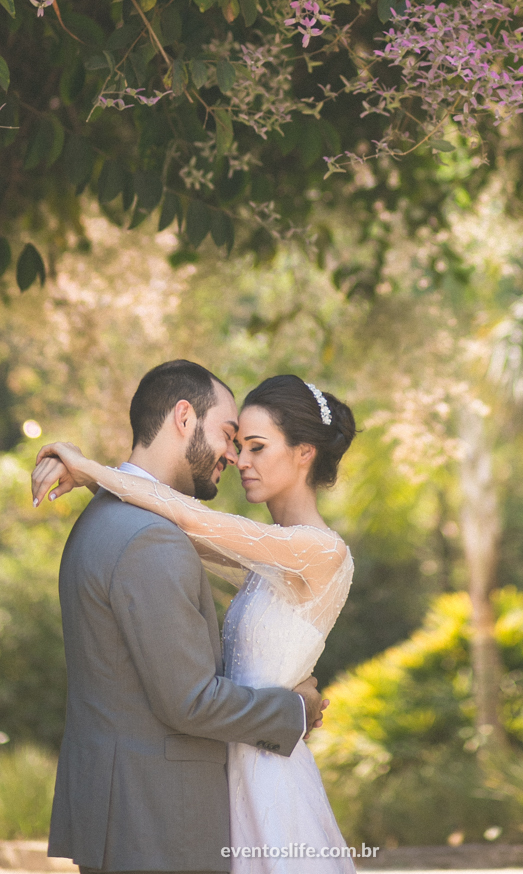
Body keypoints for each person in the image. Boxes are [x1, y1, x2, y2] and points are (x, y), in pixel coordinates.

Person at [32, 368, 357, 874]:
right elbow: (184, 528)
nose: (237, 458)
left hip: (255, 774)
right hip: (189, 791)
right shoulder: (150, 535)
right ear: (184, 416)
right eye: (234, 440)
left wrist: (94, 472)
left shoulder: (317, 549)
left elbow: (191, 523)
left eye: (254, 446)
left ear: (304, 452)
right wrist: (294, 708)